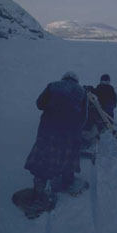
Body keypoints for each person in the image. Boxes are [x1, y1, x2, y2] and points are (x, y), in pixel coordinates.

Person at [24, 71, 88, 203]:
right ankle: (67, 181)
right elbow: (84, 116)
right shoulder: (82, 92)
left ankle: (40, 186)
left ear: (64, 78)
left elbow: (39, 104)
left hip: (48, 129)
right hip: (70, 133)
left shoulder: (52, 86)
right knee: (68, 156)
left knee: (44, 155)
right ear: (76, 80)